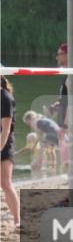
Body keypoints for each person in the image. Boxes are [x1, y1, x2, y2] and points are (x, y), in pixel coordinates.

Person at [0, 77, 19, 230]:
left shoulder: (5, 98)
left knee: (6, 183)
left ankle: (17, 220)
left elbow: (5, 129)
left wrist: (0, 148)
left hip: (4, 144)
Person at [21, 111, 61, 176]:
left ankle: (38, 167)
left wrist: (34, 146)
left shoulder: (34, 122)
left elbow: (39, 136)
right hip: (58, 131)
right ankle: (53, 168)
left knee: (41, 150)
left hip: (51, 133)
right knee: (51, 150)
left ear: (29, 119)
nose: (28, 124)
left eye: (27, 122)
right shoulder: (41, 118)